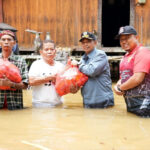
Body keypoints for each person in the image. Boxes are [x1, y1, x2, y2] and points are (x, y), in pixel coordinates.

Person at [114, 25, 150, 117]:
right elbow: (124, 77)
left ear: (136, 37)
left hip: (145, 102)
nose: (124, 42)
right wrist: (117, 85)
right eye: (121, 40)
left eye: (127, 38)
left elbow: (137, 79)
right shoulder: (125, 57)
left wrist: (121, 88)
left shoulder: (142, 52)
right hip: (131, 102)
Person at [71, 31, 114, 108]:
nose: (85, 44)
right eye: (83, 42)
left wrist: (77, 64)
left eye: (88, 42)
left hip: (102, 101)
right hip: (88, 101)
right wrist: (75, 87)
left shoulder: (100, 55)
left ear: (95, 42)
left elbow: (91, 71)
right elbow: (80, 78)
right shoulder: (83, 58)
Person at [28, 40, 64, 108]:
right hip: (40, 103)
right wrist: (50, 78)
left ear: (55, 51)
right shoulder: (36, 64)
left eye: (52, 49)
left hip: (58, 103)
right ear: (41, 52)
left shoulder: (60, 66)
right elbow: (31, 82)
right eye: (46, 49)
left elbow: (65, 86)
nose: (49, 52)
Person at [0, 30, 28, 110]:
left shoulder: (20, 61)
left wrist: (11, 84)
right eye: (3, 39)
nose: (6, 42)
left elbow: (26, 85)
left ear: (14, 43)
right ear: (0, 43)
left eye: (9, 40)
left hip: (14, 105)